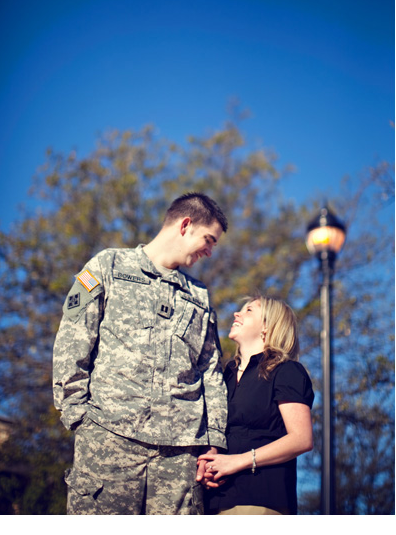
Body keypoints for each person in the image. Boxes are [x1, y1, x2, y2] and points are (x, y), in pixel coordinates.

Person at [52, 192, 229, 515]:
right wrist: (78, 416)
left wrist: (214, 439)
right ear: (185, 225)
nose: (210, 251)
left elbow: (211, 373)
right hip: (110, 439)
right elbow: (73, 339)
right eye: (208, 240)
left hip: (179, 457)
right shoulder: (108, 266)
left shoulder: (200, 297)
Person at [197, 295, 314, 515]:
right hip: (214, 502)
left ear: (267, 327)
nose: (236, 313)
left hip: (260, 500)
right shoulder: (225, 375)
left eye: (249, 310)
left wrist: (238, 461)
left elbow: (302, 439)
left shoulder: (287, 371)